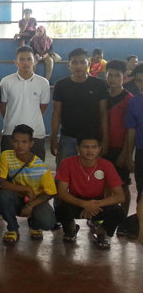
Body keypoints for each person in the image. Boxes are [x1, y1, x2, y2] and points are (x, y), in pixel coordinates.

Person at [55, 135, 126, 249]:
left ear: (99, 149)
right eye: (85, 147)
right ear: (78, 148)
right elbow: (62, 193)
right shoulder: (67, 163)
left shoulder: (106, 165)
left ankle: (102, 232)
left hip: (98, 203)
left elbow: (120, 196)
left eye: (94, 147)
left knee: (118, 212)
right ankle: (71, 228)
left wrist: (94, 205)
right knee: (60, 208)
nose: (90, 150)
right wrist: (84, 204)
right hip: (76, 201)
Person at [0, 124, 57, 243]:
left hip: (35, 199)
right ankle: (13, 229)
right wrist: (26, 189)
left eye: (24, 142)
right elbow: (1, 183)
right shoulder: (5, 156)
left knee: (48, 222)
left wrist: (31, 205)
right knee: (3, 195)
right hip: (16, 197)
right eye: (16, 141)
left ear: (31, 144)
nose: (20, 145)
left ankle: (34, 225)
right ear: (11, 142)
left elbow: (51, 193)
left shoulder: (41, 168)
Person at [51, 48, 109, 166]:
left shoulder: (99, 84)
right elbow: (56, 113)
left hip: (92, 138)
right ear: (69, 65)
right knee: (64, 173)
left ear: (88, 64)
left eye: (82, 62)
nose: (78, 66)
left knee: (91, 174)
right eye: (75, 62)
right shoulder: (61, 85)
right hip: (68, 137)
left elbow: (103, 113)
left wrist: (105, 137)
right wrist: (53, 138)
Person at [0, 46, 50, 160]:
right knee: (9, 173)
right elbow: (2, 107)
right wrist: (12, 118)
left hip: (36, 134)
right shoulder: (6, 81)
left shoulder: (43, 83)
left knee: (36, 173)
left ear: (35, 61)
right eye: (21, 59)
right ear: (16, 62)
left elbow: (43, 108)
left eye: (29, 59)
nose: (25, 62)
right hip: (10, 134)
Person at [103, 59, 134, 231]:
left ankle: (123, 219)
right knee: (106, 184)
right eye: (110, 75)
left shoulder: (129, 100)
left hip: (120, 149)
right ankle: (106, 216)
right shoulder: (103, 97)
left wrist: (126, 153)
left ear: (125, 77)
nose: (113, 79)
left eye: (117, 76)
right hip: (103, 148)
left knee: (122, 185)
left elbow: (131, 130)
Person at [125, 64, 143, 201]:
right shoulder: (134, 102)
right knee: (141, 191)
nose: (141, 84)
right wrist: (129, 156)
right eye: (138, 80)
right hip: (141, 153)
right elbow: (131, 131)